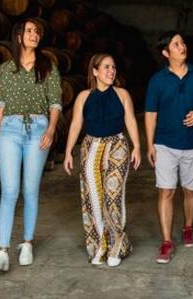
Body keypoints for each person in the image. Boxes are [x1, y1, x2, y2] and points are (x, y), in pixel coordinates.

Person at [0, 18, 62, 272]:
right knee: (9, 190)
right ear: (19, 37)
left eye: (37, 31)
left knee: (30, 189)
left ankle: (27, 243)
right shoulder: (6, 69)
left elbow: (55, 103)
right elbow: (1, 104)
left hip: (39, 130)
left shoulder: (48, 66)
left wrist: (51, 130)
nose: (34, 35)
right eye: (29, 31)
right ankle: (2, 251)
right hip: (9, 129)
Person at [62, 54, 142, 267]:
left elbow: (131, 120)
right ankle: (100, 245)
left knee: (113, 195)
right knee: (94, 197)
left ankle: (117, 244)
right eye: (106, 67)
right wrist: (69, 151)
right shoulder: (83, 96)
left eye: (113, 67)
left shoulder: (122, 94)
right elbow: (76, 125)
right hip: (91, 146)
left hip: (117, 145)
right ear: (95, 71)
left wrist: (137, 147)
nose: (111, 71)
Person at [144, 31, 193, 263]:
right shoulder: (157, 80)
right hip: (165, 143)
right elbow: (151, 113)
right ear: (166, 53)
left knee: (191, 191)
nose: (182, 46)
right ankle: (166, 242)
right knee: (166, 191)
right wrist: (150, 144)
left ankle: (188, 228)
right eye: (176, 44)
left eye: (183, 42)